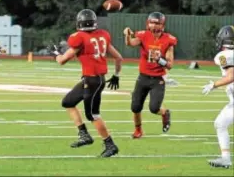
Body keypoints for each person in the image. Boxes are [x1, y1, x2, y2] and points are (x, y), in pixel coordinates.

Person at [51, 9, 123, 157]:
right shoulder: (103, 35)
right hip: (93, 79)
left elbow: (62, 61)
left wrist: (56, 54)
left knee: (93, 115)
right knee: (68, 102)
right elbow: (119, 57)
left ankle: (110, 145)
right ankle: (84, 135)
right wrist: (116, 75)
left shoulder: (80, 38)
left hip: (92, 81)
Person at [123, 12, 177, 138]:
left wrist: (159, 60)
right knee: (135, 107)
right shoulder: (143, 35)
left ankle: (164, 113)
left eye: (156, 23)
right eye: (152, 22)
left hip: (158, 79)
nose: (153, 25)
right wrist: (126, 35)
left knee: (154, 108)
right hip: (143, 76)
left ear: (162, 25)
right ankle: (138, 130)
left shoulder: (168, 39)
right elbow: (130, 43)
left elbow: (170, 65)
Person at [202, 25, 234, 168]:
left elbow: (231, 76)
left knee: (220, 124)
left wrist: (214, 85)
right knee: (220, 123)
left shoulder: (224, 55)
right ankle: (225, 158)